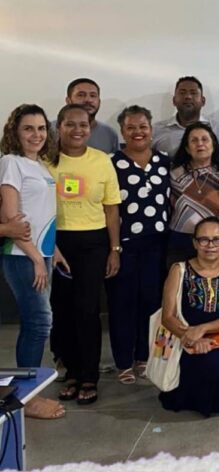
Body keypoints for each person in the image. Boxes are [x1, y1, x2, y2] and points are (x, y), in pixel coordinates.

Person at [48, 104, 122, 405]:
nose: (77, 130)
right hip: (55, 242)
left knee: (87, 309)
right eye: (70, 124)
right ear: (59, 127)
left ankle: (89, 376)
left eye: (83, 125)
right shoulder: (46, 160)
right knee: (61, 310)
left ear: (90, 129)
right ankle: (72, 372)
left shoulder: (101, 160)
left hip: (93, 242)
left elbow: (111, 208)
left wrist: (114, 249)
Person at [0, 104, 67, 419]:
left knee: (37, 323)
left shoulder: (38, 165)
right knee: (39, 323)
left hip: (41, 253)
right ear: (15, 131)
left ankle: (27, 391)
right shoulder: (11, 163)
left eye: (41, 128)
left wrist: (54, 251)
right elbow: (12, 219)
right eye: (28, 128)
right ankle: (25, 398)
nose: (36, 134)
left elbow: (41, 215)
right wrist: (36, 259)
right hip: (22, 255)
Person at [106, 105, 171, 384]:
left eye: (143, 126)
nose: (138, 132)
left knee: (151, 303)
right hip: (124, 246)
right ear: (122, 131)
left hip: (158, 245)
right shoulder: (111, 162)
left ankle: (144, 357)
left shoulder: (164, 161)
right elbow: (109, 208)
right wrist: (114, 249)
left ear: (151, 129)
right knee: (122, 304)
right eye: (131, 127)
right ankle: (123, 362)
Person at [159, 216, 219, 416]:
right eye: (204, 239)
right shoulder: (179, 270)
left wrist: (203, 330)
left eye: (217, 240)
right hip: (185, 342)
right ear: (195, 243)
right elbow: (167, 317)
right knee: (185, 392)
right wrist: (192, 338)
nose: (211, 245)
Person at [168, 122, 219, 265]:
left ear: (214, 145)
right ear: (187, 148)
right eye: (194, 140)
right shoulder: (173, 173)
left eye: (205, 139)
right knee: (181, 277)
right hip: (182, 239)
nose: (200, 144)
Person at [152, 76, 219, 159]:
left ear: (203, 101)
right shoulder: (156, 131)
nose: (188, 97)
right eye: (182, 93)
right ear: (174, 100)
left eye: (193, 93)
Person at [57, 78, 120, 154]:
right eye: (81, 95)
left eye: (93, 95)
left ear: (99, 101)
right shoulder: (49, 130)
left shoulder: (110, 134)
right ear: (68, 101)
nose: (88, 100)